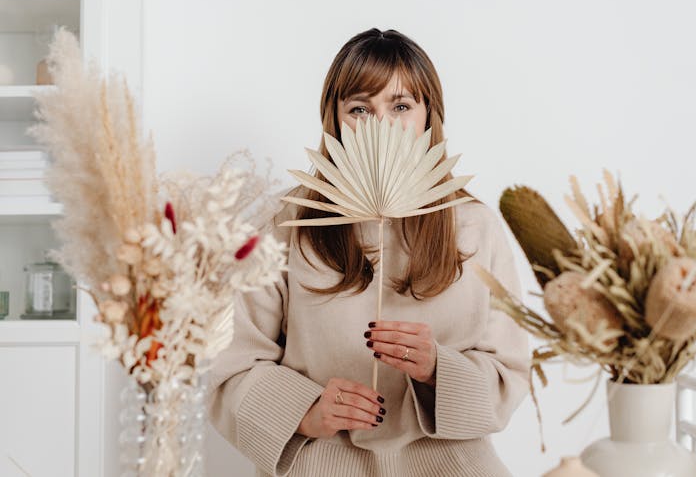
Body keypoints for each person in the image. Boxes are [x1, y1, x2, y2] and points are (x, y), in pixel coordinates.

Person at [206, 28, 530, 477]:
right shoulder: (286, 224)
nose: (381, 125)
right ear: (334, 120)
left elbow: (510, 374)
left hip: (451, 463)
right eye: (360, 108)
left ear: (428, 116)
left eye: (400, 106)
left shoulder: (474, 227)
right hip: (318, 462)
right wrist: (306, 410)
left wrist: (439, 369)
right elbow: (231, 365)